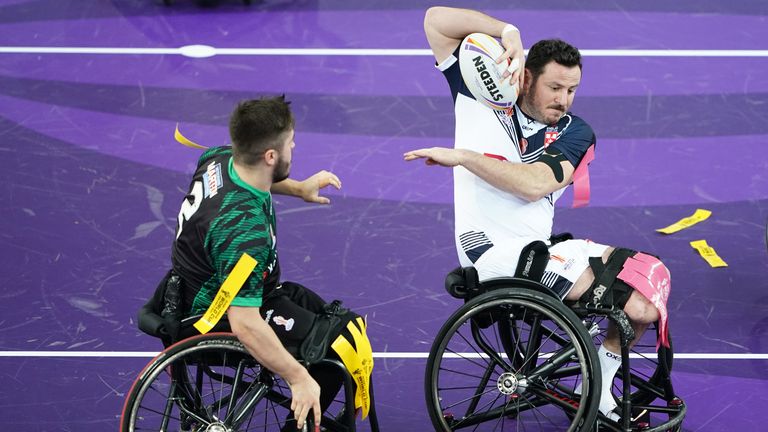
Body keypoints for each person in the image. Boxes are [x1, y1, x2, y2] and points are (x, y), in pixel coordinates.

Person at [405, 6, 671, 421]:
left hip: (538, 251)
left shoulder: (575, 131)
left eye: (572, 90)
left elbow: (533, 184)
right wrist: (506, 30)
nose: (563, 100)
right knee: (632, 304)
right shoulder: (478, 92)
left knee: (651, 280)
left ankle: (595, 379)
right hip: (491, 254)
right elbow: (434, 20)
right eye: (555, 87)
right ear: (526, 76)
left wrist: (462, 157)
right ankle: (598, 396)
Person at [170, 96, 345, 431]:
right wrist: (298, 378)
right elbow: (245, 323)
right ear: (270, 156)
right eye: (290, 143)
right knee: (334, 354)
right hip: (213, 315)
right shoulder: (245, 237)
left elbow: (252, 177)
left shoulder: (218, 158)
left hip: (190, 289)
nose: (294, 146)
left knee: (340, 326)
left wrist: (299, 188)